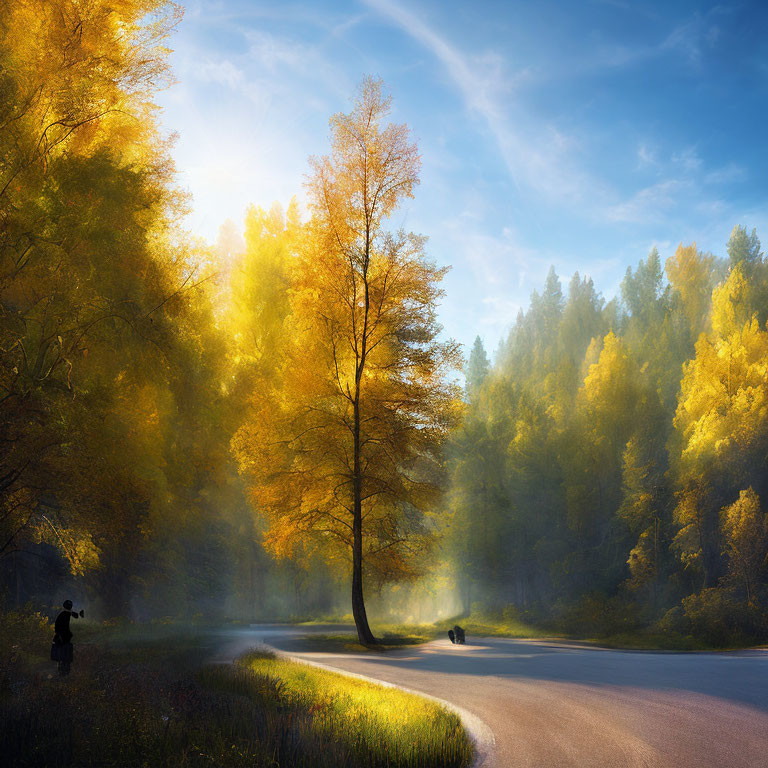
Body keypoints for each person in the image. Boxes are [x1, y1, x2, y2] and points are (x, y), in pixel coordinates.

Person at [52, 600, 83, 676]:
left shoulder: (64, 614)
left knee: (63, 658)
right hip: (63, 639)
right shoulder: (65, 614)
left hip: (63, 639)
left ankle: (63, 673)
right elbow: (58, 628)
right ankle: (63, 673)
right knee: (64, 658)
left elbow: (57, 628)